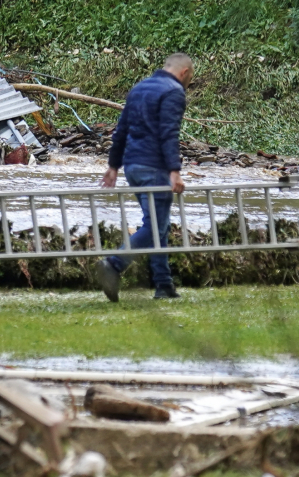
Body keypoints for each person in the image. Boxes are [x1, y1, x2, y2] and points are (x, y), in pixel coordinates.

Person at [95, 53, 193, 303]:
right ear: (184, 73)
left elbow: (122, 129)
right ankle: (114, 264)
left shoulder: (139, 87)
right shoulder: (173, 92)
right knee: (155, 227)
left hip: (133, 167)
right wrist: (174, 170)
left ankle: (164, 284)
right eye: (190, 77)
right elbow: (169, 133)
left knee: (157, 225)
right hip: (154, 168)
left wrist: (114, 166)